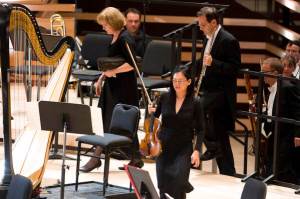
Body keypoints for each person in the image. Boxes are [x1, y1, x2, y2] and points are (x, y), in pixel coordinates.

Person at [80, 7, 143, 172]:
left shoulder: (125, 38)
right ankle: (136, 158)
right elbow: (113, 62)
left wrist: (112, 72)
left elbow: (132, 65)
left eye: (105, 24)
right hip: (113, 85)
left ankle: (96, 158)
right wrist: (102, 78)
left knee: (114, 121)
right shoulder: (115, 36)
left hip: (124, 88)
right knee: (110, 120)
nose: (103, 27)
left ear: (113, 22)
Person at [195, 7, 241, 176]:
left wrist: (214, 63)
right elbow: (203, 62)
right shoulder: (208, 38)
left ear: (213, 22)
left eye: (203, 24)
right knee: (221, 135)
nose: (200, 27)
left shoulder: (229, 40)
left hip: (221, 93)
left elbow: (234, 69)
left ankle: (212, 147)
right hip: (209, 91)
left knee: (196, 108)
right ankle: (228, 173)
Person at [149, 65, 203, 199]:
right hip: (164, 145)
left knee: (179, 181)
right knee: (163, 183)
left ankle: (182, 187)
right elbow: (154, 118)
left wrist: (197, 151)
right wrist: (150, 115)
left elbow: (201, 129)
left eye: (180, 81)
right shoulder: (165, 97)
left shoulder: (196, 103)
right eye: (174, 80)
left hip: (183, 147)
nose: (176, 84)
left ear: (189, 82)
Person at [261, 57, 300, 184]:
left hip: (286, 133)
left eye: (265, 72)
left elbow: (298, 111)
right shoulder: (267, 87)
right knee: (270, 160)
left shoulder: (287, 88)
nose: (263, 75)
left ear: (276, 73)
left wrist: (298, 134)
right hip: (273, 131)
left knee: (281, 165)